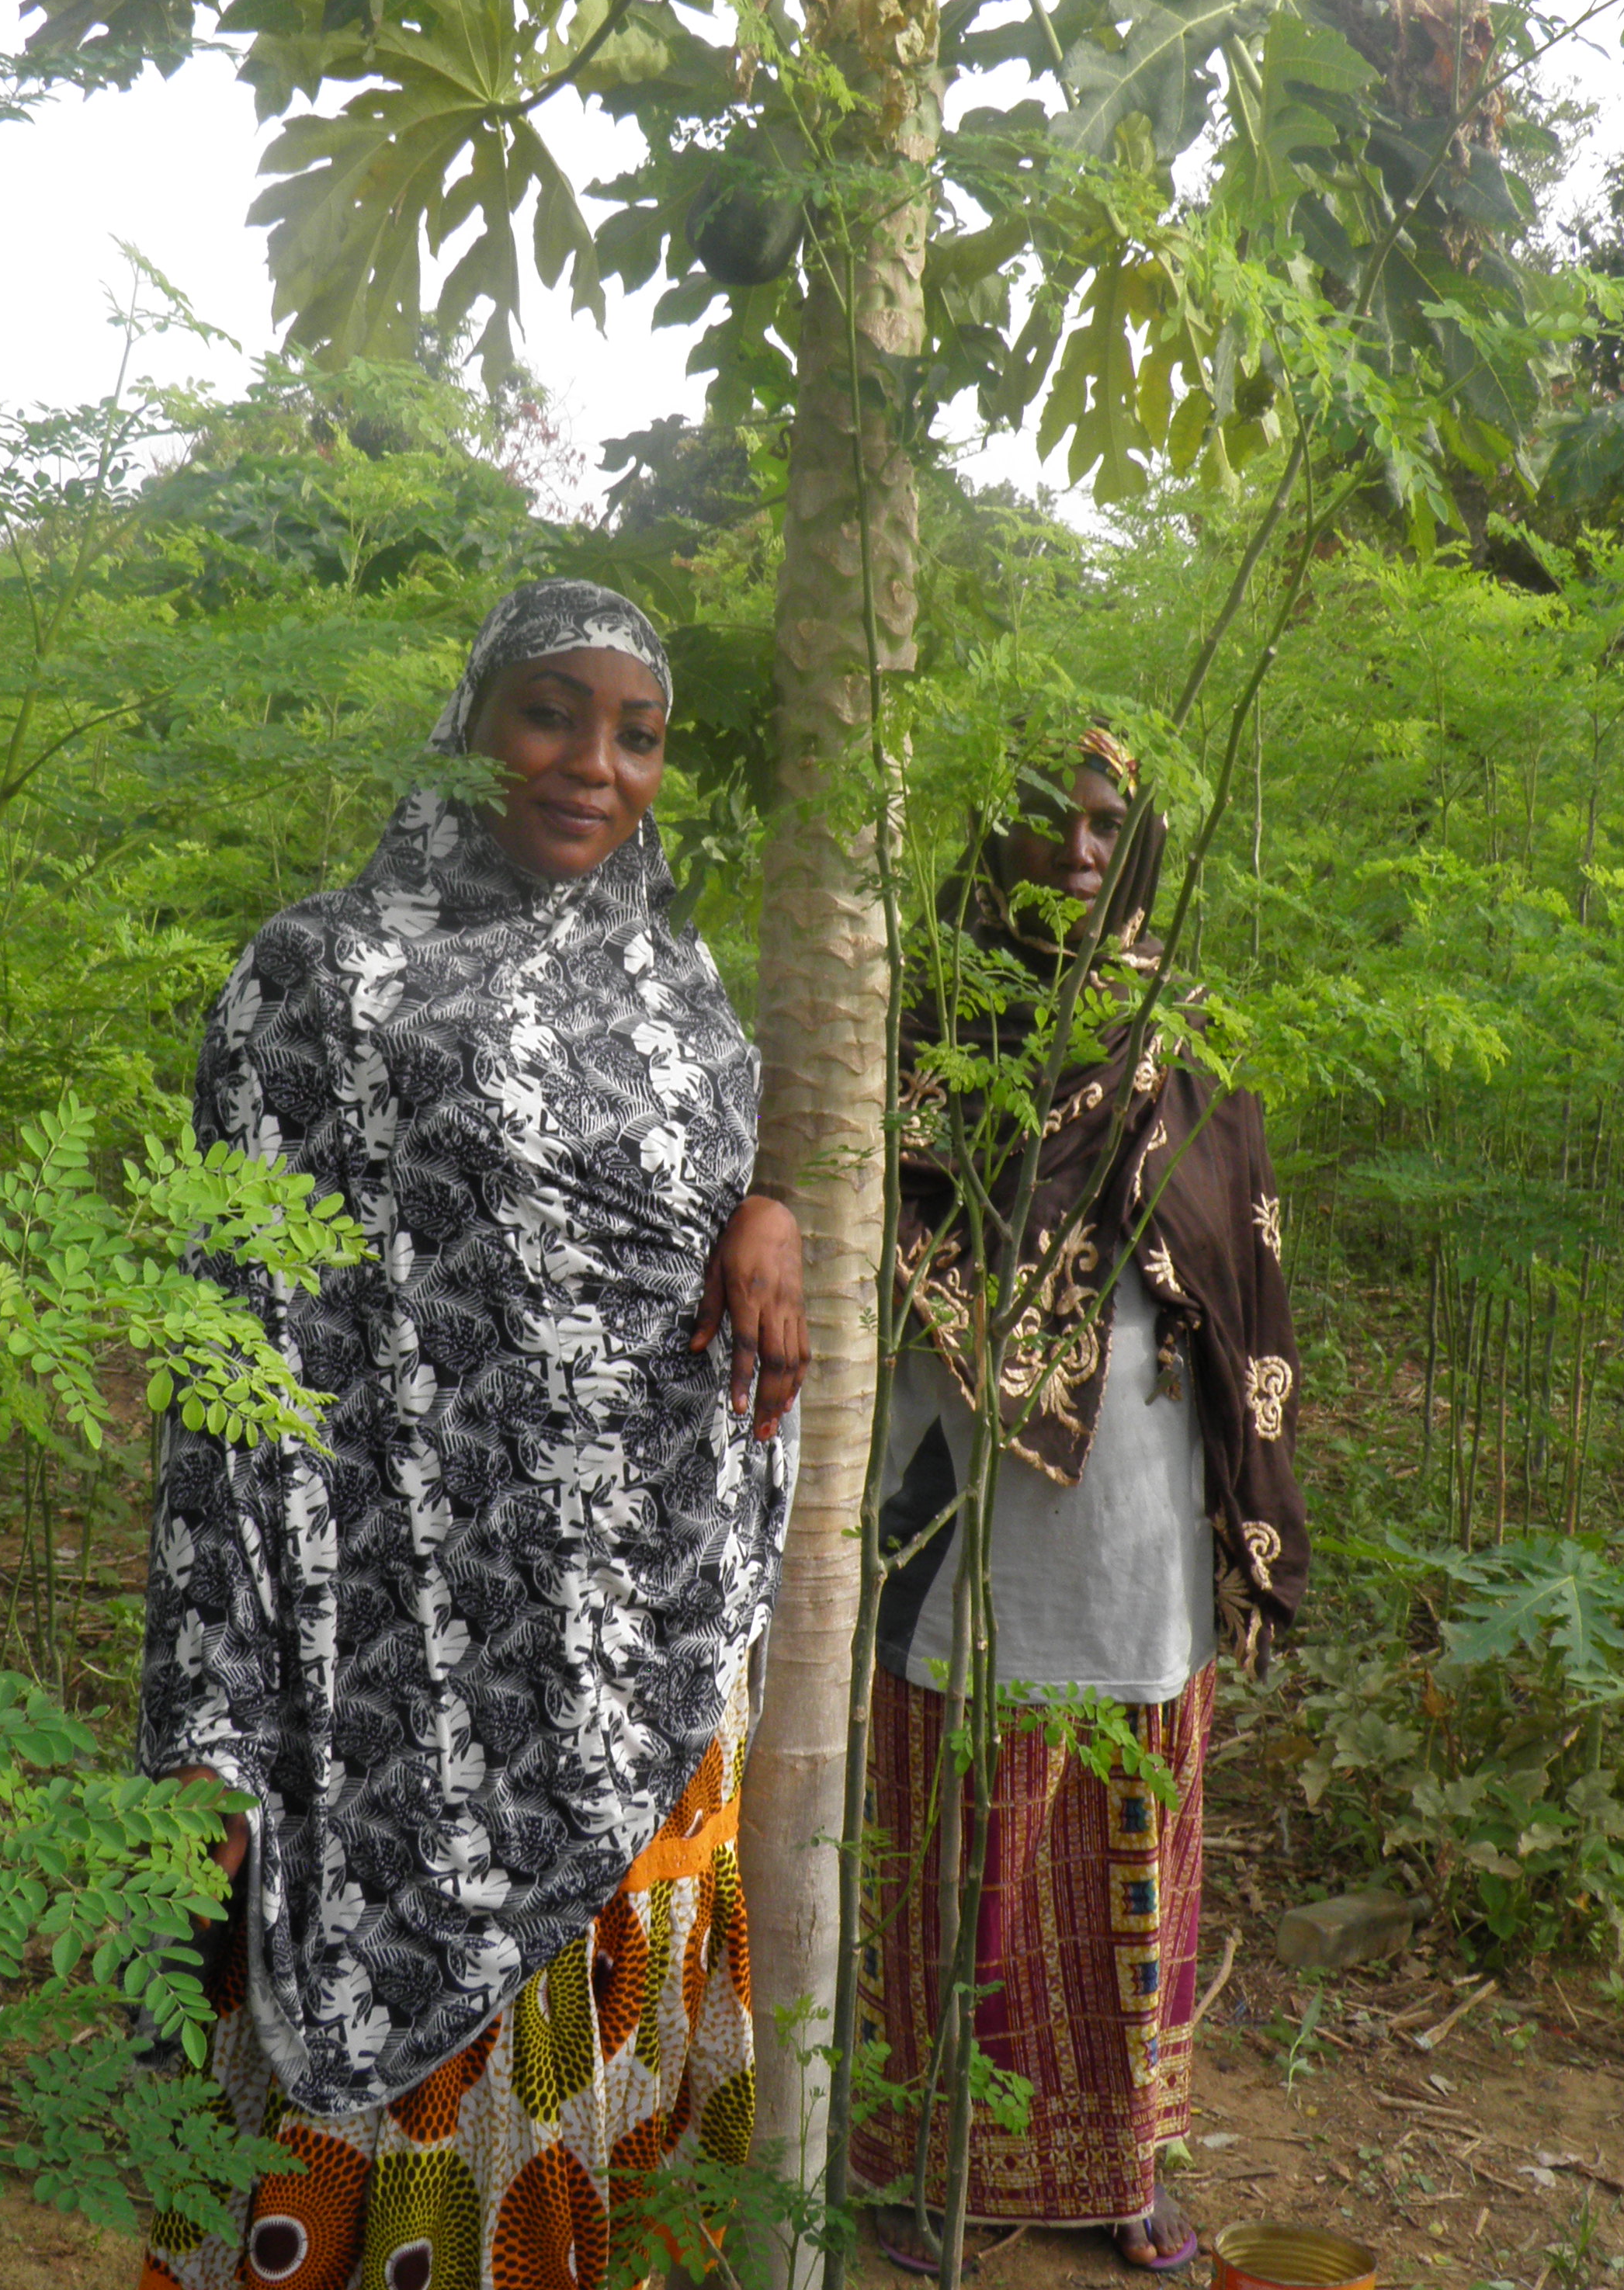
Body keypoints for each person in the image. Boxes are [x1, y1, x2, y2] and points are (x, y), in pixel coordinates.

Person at [137, 579, 808, 2290]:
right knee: (395, 2041)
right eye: (549, 715)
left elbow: (725, 1188)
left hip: (645, 1642)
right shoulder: (319, 978)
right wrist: (216, 1710)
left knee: (604, 2039)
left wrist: (774, 1208)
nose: (593, 765)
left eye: (636, 735)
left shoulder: (677, 984)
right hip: (396, 1651)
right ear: (467, 728)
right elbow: (235, 1346)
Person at [851, 724, 1308, 2274]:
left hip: (1138, 1550)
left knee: (1130, 1850)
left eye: (1108, 825)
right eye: (1047, 819)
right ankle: (932, 2170)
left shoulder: (1181, 1048)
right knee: (961, 1859)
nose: (1078, 850)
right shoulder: (917, 1037)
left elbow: (1243, 1283)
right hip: (967, 1536)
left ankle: (1121, 2173)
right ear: (992, 839)